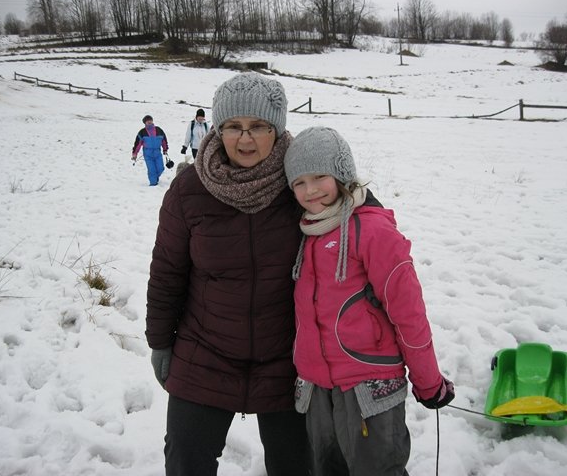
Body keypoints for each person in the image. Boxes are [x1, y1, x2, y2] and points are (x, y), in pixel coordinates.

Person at [145, 73, 310, 476]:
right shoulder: (189, 190)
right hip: (205, 352)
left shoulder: (303, 181)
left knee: (297, 466)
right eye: (234, 126)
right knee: (186, 460)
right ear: (218, 130)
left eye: (259, 126)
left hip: (288, 358)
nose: (245, 139)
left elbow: (359, 213)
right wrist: (160, 341)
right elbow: (167, 272)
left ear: (278, 129)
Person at [284, 126, 455, 476]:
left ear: (342, 174)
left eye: (319, 177)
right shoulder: (306, 231)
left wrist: (428, 382)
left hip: (369, 392)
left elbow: (409, 314)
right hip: (317, 391)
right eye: (299, 182)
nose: (310, 190)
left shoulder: (374, 232)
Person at [132, 115, 171, 186]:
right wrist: (135, 154)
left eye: (150, 120)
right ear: (145, 123)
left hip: (157, 152)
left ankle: (155, 178)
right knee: (152, 170)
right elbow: (137, 144)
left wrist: (165, 149)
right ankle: (153, 184)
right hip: (148, 154)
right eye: (147, 121)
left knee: (161, 168)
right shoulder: (142, 132)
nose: (149, 122)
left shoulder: (159, 130)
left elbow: (164, 140)